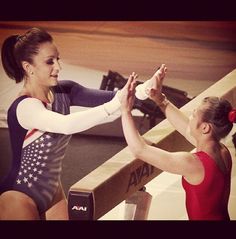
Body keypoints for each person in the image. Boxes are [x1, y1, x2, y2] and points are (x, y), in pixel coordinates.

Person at [0, 27, 131, 220]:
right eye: (49, 62)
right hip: (19, 196)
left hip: (53, 192)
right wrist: (114, 105)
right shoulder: (24, 107)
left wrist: (147, 89)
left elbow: (116, 100)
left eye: (57, 59)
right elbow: (66, 124)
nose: (58, 67)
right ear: (28, 67)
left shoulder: (64, 91)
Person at [121, 64, 236, 220]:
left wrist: (125, 110)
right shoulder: (222, 151)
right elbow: (186, 127)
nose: (190, 118)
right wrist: (160, 100)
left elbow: (139, 149)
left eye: (194, 115)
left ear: (205, 128)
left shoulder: (192, 163)